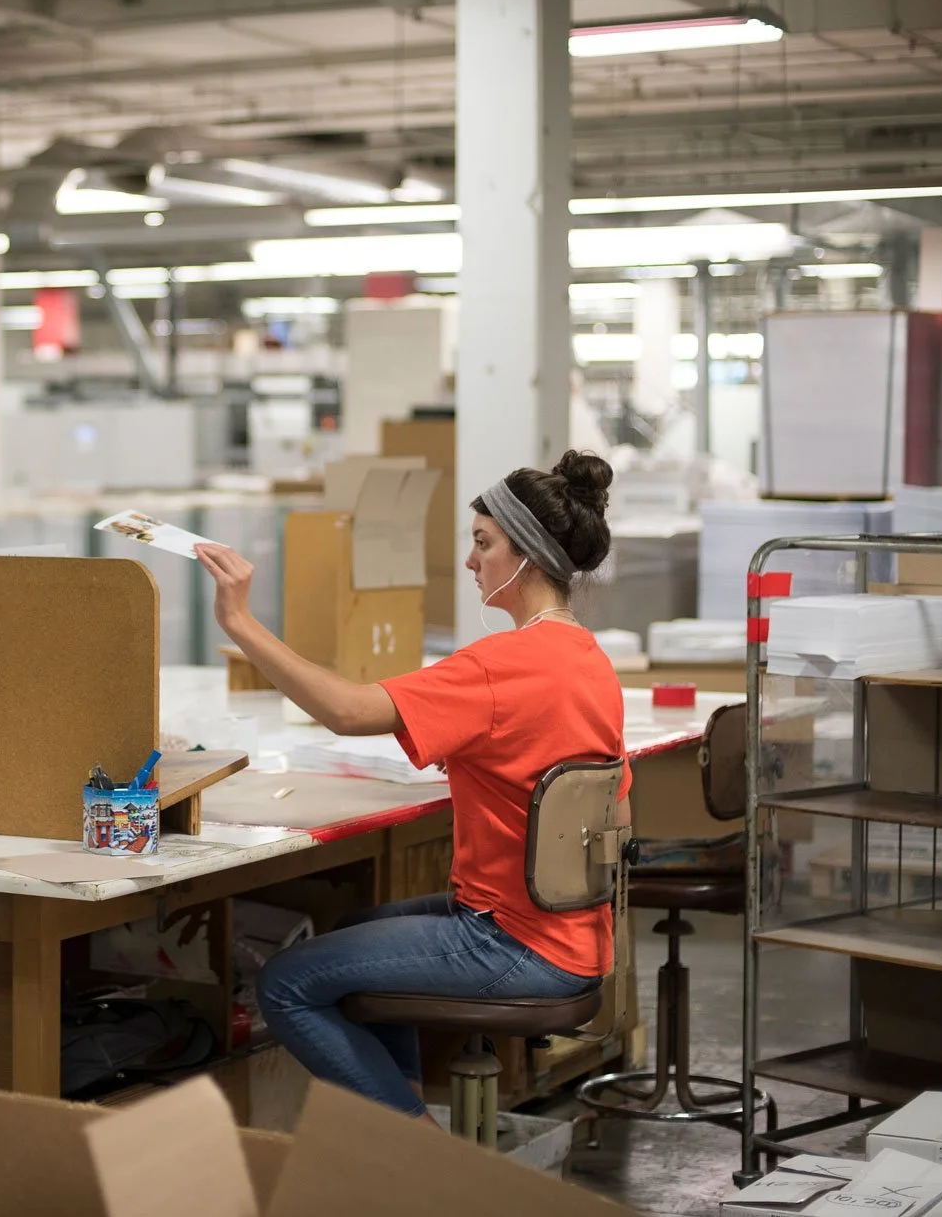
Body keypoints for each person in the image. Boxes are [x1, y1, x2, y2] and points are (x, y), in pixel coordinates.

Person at [193, 450, 629, 1117]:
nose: (469, 561)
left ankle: (412, 1154)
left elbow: (347, 710)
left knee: (287, 982)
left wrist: (241, 623)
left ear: (528, 555)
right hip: (574, 932)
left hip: (514, 940)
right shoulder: (587, 658)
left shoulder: (503, 664)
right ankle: (401, 1110)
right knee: (356, 926)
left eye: (483, 542)